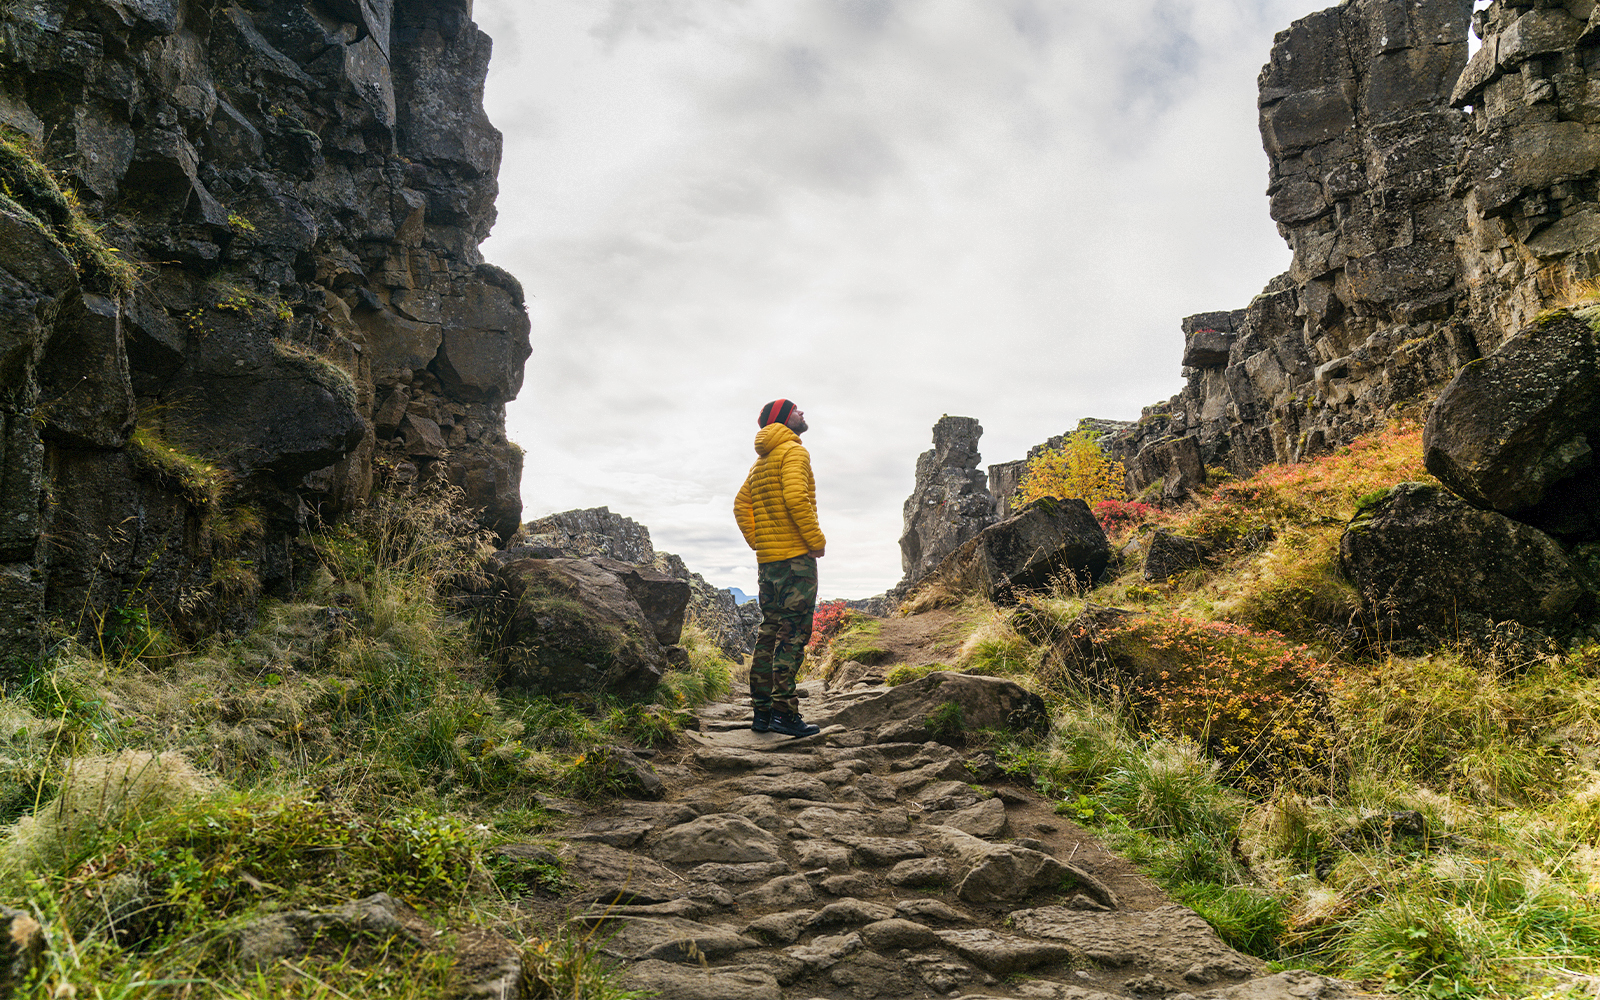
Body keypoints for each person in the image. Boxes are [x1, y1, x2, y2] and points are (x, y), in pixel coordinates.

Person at [734, 399, 826, 738]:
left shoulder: (761, 462)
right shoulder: (793, 452)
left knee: (769, 632)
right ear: (784, 419)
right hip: (795, 562)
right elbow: (796, 499)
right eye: (796, 409)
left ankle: (762, 714)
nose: (803, 412)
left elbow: (740, 504)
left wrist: (760, 542)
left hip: (769, 563)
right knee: (792, 635)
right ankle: (785, 715)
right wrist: (815, 541)